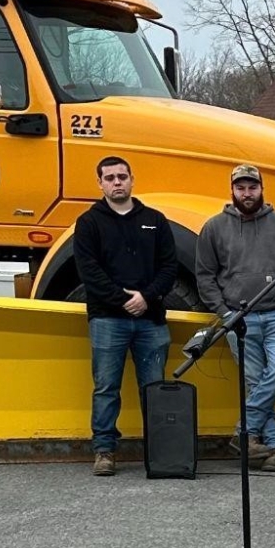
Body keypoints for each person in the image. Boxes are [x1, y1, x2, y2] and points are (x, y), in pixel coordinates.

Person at [73, 155, 177, 477]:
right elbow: (89, 272)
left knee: (155, 389)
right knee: (106, 387)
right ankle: (104, 451)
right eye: (109, 178)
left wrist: (147, 297)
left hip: (151, 320)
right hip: (107, 320)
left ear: (132, 179)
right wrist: (124, 300)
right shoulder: (88, 223)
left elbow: (169, 267)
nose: (116, 182)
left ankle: (161, 453)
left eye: (122, 176)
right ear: (100, 183)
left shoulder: (155, 220)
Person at [194, 163, 275, 471]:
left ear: (262, 189)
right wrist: (224, 313)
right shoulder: (214, 227)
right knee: (255, 381)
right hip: (238, 316)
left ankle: (245, 431)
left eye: (252, 187)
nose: (247, 193)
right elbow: (205, 275)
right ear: (232, 190)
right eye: (241, 188)